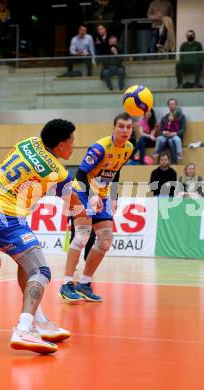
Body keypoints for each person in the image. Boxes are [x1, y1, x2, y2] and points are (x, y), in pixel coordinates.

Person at [0, 119, 78, 354]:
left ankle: (38, 321)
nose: (74, 146)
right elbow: (70, 205)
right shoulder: (59, 172)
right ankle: (23, 328)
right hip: (6, 218)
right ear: (61, 145)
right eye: (72, 141)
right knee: (41, 272)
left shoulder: (27, 143)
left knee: (26, 262)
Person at [60, 112, 133, 303]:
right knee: (82, 236)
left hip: (101, 194)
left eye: (129, 127)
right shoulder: (100, 147)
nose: (125, 130)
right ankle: (67, 284)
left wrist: (114, 197)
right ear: (114, 128)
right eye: (121, 126)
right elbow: (81, 173)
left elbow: (116, 172)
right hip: (81, 191)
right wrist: (91, 197)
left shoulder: (128, 148)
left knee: (106, 240)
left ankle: (84, 283)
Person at [154, 98, 186, 164]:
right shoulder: (165, 117)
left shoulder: (181, 116)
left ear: (176, 105)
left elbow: (183, 130)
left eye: (173, 104)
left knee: (171, 141)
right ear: (168, 106)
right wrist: (164, 133)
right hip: (165, 137)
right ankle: (159, 163)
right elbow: (160, 130)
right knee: (162, 140)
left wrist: (175, 133)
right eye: (170, 104)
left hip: (176, 138)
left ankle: (174, 163)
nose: (172, 105)